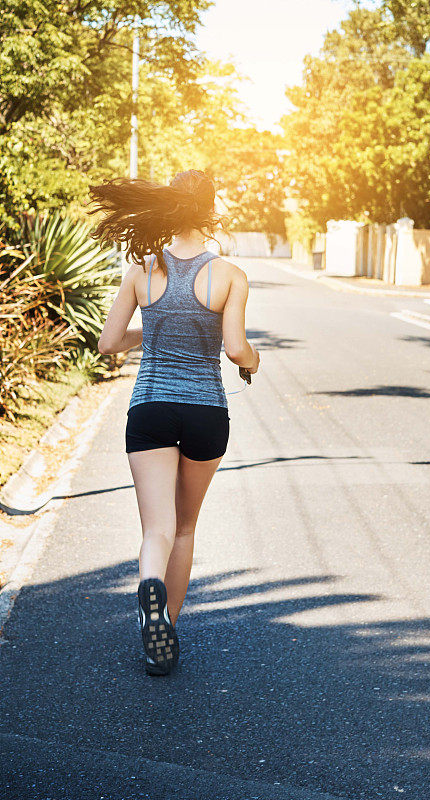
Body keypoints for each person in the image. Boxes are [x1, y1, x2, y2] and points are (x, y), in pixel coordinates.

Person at [88, 169, 260, 676]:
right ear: (209, 210)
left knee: (156, 528)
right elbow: (233, 349)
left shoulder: (143, 269)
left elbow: (109, 342)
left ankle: (149, 596)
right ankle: (167, 631)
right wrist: (253, 362)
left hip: (151, 411)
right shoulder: (228, 275)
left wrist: (157, 333)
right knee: (185, 528)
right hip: (206, 412)